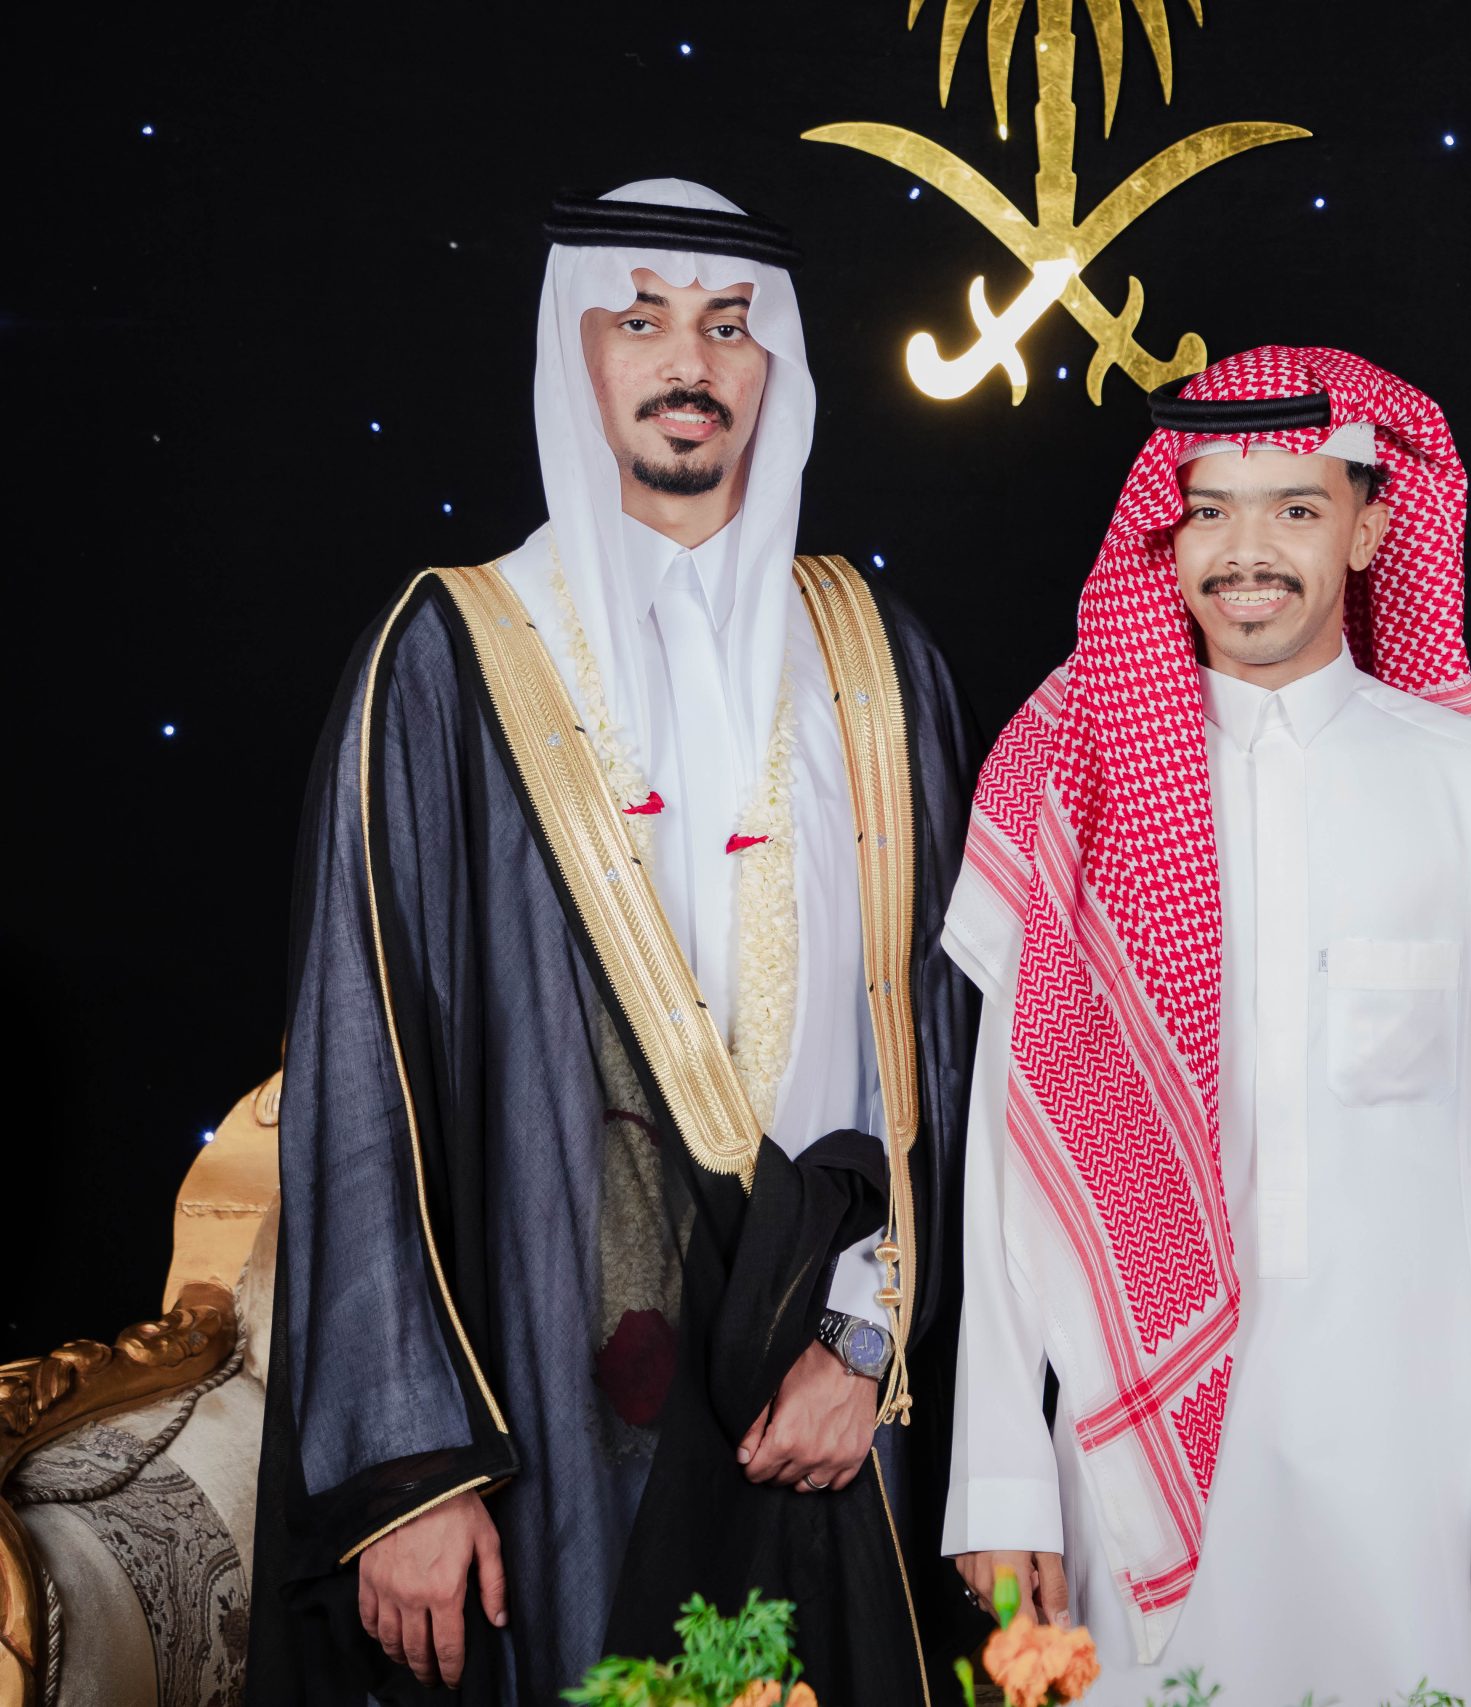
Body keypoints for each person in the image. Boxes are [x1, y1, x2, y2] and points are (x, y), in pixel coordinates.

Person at [248, 180, 977, 1705]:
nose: (686, 362)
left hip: (823, 1405)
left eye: (727, 326)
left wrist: (867, 1346)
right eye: (640, 322)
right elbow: (362, 1079)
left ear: (775, 363)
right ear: (575, 353)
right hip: (551, 1414)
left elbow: (946, 1056)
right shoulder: (453, 654)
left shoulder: (872, 657)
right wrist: (409, 1468)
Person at [939, 348, 1471, 1704]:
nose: (1247, 552)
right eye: (1210, 510)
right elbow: (1010, 1155)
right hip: (1138, 1453)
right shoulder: (1079, 791)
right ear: (1165, 540)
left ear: (1370, 529)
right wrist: (1000, 1476)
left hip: (1425, 1459)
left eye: (1295, 509)